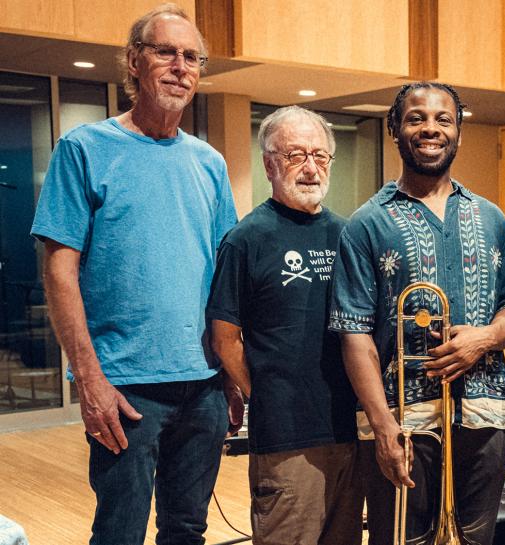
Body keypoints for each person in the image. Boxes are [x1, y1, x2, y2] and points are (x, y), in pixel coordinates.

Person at [29, 5, 240, 544]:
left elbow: (226, 276)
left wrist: (233, 371)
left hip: (204, 384)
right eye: (165, 52)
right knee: (119, 532)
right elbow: (60, 273)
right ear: (134, 62)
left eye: (191, 56)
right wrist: (89, 378)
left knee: (187, 530)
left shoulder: (209, 163)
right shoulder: (85, 150)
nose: (180, 66)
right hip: (125, 387)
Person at [329, 82, 505, 545]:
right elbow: (353, 332)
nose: (431, 129)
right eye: (416, 118)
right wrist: (382, 425)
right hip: (403, 420)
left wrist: (485, 338)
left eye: (444, 119)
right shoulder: (366, 222)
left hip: (486, 414)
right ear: (395, 130)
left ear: (458, 132)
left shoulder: (491, 217)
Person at [207, 106, 362, 544]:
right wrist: (267, 393)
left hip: (349, 430)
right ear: (270, 164)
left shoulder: (347, 234)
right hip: (287, 438)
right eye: (296, 155)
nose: (311, 168)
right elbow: (224, 337)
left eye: (320, 155)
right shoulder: (246, 239)